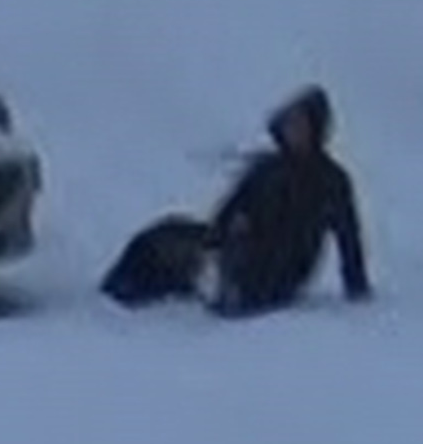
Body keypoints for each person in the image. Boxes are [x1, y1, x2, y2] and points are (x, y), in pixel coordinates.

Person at [101, 85, 372, 316]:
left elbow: (349, 237)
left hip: (274, 274)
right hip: (234, 250)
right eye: (291, 124)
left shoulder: (330, 181)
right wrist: (215, 239)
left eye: (301, 125)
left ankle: (218, 287)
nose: (294, 131)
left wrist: (357, 287)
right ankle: (119, 293)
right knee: (162, 238)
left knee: (198, 263)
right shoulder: (267, 169)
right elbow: (230, 209)